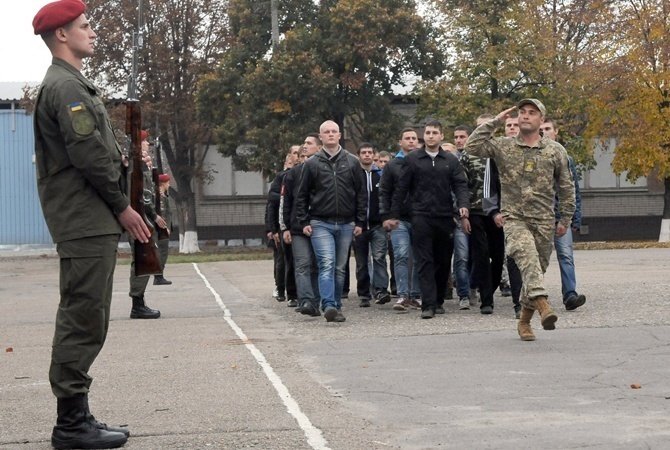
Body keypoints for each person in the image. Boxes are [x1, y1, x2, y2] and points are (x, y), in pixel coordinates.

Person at [32, 1, 151, 447]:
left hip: (88, 216)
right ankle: (70, 425)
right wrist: (122, 205)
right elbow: (88, 156)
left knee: (90, 315)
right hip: (84, 216)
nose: (93, 32)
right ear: (61, 34)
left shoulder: (73, 84)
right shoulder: (66, 88)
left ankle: (78, 415)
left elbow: (99, 152)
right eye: (84, 26)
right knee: (83, 317)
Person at [465, 99, 575, 341]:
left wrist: (565, 217)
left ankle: (524, 320)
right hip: (514, 218)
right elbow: (471, 147)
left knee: (535, 270)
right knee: (526, 258)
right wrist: (495, 122)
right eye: (522, 112)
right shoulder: (503, 146)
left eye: (531, 113)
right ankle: (544, 305)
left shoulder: (555, 150)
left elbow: (566, 187)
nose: (525, 116)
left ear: (541, 120)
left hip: (544, 219)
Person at [387, 120, 470, 319]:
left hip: (444, 216)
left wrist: (463, 204)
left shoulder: (450, 160)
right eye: (428, 132)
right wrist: (392, 215)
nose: (431, 136)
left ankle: (439, 299)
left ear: (441, 136)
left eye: (434, 132)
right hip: (420, 216)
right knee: (424, 260)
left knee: (442, 261)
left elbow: (460, 184)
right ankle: (428, 305)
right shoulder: (414, 159)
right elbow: (402, 189)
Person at [295, 120, 366, 322]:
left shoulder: (352, 162)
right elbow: (302, 196)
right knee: (326, 263)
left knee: (339, 267)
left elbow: (361, 194)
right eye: (326, 132)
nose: (331, 134)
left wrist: (360, 221)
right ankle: (328, 304)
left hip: (346, 223)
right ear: (321, 137)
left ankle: (336, 305)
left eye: (334, 131)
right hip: (320, 222)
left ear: (340, 135)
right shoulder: (311, 164)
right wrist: (303, 221)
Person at [540, 119, 586, 311]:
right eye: (541, 129)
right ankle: (534, 297)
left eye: (548, 129)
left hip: (560, 218)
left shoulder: (565, 158)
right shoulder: (533, 156)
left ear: (556, 132)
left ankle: (570, 295)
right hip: (539, 218)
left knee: (566, 255)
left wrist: (574, 218)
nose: (544, 132)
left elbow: (573, 189)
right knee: (537, 259)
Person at [379, 128, 422, 312]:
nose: (411, 141)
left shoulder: (424, 162)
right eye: (407, 138)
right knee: (401, 255)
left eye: (414, 138)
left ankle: (417, 295)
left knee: (420, 257)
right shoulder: (392, 165)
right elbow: (384, 192)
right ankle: (403, 295)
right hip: (398, 219)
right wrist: (386, 216)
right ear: (400, 141)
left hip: (421, 217)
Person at [281, 134, 322, 316]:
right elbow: (286, 202)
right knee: (303, 264)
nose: (304, 149)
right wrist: (285, 228)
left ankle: (316, 300)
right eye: (302, 149)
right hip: (298, 228)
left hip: (321, 225)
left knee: (318, 265)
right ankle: (305, 300)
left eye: (308, 144)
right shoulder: (292, 175)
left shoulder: (324, 171)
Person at [128, 132, 162, 320]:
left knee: (145, 258)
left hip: (142, 217)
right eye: (144, 141)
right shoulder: (136, 166)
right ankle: (137, 304)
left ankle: (138, 302)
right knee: (142, 258)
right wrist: (153, 216)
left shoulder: (141, 165)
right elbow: (143, 195)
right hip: (139, 217)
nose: (147, 143)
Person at [352, 143, 390, 307]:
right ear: (359, 155)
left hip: (377, 225)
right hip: (358, 225)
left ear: (373, 155)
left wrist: (386, 217)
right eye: (363, 153)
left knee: (379, 257)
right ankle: (364, 294)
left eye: (369, 152)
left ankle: (381, 290)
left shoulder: (381, 175)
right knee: (362, 262)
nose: (366, 155)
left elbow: (386, 197)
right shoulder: (353, 175)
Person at [266, 148, 298, 305]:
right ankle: (280, 288)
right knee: (282, 260)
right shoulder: (281, 177)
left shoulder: (303, 173)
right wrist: (272, 229)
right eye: (295, 154)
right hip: (282, 224)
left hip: (298, 222)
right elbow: (271, 202)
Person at [448, 125, 474, 310]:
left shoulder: (473, 159)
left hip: (468, 215)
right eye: (456, 137)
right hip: (447, 216)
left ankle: (466, 292)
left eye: (462, 136)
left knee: (464, 257)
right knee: (449, 258)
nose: (458, 140)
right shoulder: (448, 162)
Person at [153, 172, 173, 285]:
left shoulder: (163, 195)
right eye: (167, 182)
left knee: (162, 252)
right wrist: (166, 227)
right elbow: (162, 213)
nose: (169, 185)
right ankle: (158, 276)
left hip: (163, 228)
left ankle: (159, 275)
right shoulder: (160, 196)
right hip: (161, 229)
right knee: (162, 251)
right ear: (163, 183)